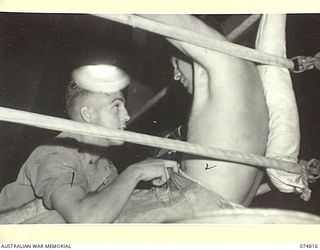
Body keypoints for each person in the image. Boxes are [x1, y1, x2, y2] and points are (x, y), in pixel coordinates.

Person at [0, 64, 179, 223]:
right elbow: (84, 221)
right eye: (116, 106)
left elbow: (110, 209)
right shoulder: (55, 154)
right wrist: (136, 172)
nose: (126, 115)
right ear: (88, 115)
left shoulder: (105, 167)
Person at [140, 14, 269, 206]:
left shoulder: (223, 62)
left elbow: (166, 17)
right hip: (226, 215)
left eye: (175, 62)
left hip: (193, 211)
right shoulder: (251, 90)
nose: (175, 76)